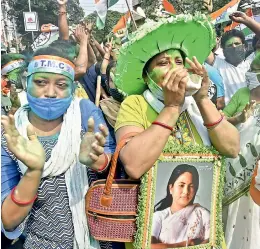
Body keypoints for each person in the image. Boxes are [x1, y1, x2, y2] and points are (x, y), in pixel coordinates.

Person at [114, 14, 239, 249]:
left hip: (204, 240)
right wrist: (172, 107)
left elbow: (232, 147)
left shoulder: (196, 104)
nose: (175, 70)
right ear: (146, 76)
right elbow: (133, 164)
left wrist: (202, 99)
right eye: (163, 63)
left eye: (179, 62)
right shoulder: (135, 105)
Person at [1, 43, 116, 249]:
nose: (51, 92)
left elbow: (111, 162)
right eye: (41, 82)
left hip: (98, 240)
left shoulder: (84, 113)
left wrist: (97, 162)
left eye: (61, 85)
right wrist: (33, 172)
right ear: (26, 83)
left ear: (72, 88)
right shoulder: (10, 135)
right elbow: (8, 220)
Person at [222, 53, 260, 249]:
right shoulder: (242, 94)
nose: (251, 73)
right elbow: (221, 120)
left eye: (255, 70)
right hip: (234, 168)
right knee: (233, 213)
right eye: (252, 69)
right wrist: (239, 118)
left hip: (257, 175)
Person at [207, 11, 260, 105]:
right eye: (229, 45)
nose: (234, 47)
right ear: (222, 50)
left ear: (245, 46)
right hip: (229, 117)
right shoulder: (217, 64)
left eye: (237, 44)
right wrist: (206, 15)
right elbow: (202, 46)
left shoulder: (252, 63)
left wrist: (246, 20)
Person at [152, 164, 210, 247]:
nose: (186, 191)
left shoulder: (203, 214)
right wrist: (187, 244)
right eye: (181, 185)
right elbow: (150, 246)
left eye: (191, 186)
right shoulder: (158, 217)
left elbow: (212, 244)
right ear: (171, 188)